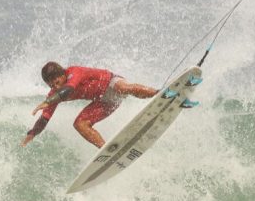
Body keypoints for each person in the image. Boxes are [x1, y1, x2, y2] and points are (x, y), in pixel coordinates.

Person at [21, 62, 158, 148]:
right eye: (51, 85)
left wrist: (48, 101)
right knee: (79, 124)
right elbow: (45, 118)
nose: (55, 87)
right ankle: (106, 151)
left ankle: (158, 93)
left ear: (63, 74)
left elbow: (69, 89)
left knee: (123, 87)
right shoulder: (55, 94)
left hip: (111, 83)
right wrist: (32, 133)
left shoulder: (74, 72)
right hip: (104, 103)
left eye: (56, 82)